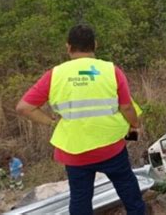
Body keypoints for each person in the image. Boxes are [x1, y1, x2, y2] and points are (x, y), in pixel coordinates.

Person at [16, 24, 146, 215]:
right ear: (95, 44)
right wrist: (135, 126)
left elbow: (24, 107)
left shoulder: (55, 75)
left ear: (68, 47)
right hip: (110, 146)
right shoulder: (111, 70)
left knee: (80, 198)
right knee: (126, 185)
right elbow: (126, 107)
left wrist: (52, 122)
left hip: (74, 151)